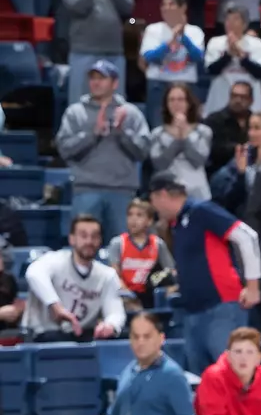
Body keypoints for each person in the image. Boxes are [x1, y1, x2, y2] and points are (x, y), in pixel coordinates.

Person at [148, 171, 261, 372]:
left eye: (152, 200)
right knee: (202, 380)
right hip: (193, 312)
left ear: (162, 195)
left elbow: (247, 236)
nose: (153, 207)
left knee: (232, 374)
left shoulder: (201, 211)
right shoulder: (178, 223)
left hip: (222, 307)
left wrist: (253, 286)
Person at [55, 59, 148, 241]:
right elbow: (64, 149)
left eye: (102, 78)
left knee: (122, 248)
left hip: (122, 191)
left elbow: (143, 151)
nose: (96, 83)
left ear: (115, 83)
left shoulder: (130, 113)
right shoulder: (75, 112)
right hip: (86, 190)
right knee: (84, 246)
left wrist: (122, 133)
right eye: (93, 78)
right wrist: (93, 134)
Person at [94, 312, 193, 415]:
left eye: (147, 336)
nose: (140, 342)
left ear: (161, 338)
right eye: (136, 336)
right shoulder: (127, 372)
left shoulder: (172, 375)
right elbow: (113, 414)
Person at [24, 214, 125, 340]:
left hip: (83, 336)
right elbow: (33, 273)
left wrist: (110, 325)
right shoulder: (54, 260)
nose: (89, 241)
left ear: (100, 240)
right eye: (83, 236)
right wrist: (56, 306)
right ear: (72, 239)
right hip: (44, 335)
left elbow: (115, 312)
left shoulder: (107, 275)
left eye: (94, 236)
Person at [59, 0, 131, 105]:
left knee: (115, 105)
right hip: (83, 52)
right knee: (80, 104)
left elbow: (128, 8)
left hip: (114, 52)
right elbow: (77, 7)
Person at [139, 0, 206, 128]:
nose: (166, 8)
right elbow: (149, 57)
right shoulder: (153, 29)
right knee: (158, 127)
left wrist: (183, 38)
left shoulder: (195, 31)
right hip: (158, 85)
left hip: (186, 84)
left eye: (171, 4)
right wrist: (169, 44)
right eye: (163, 5)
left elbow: (197, 58)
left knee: (187, 126)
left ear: (183, 8)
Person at [148, 83, 213, 204]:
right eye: (171, 100)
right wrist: (177, 139)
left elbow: (198, 160)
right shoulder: (157, 134)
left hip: (197, 191)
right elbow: (160, 164)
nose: (176, 103)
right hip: (168, 191)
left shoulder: (203, 131)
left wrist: (184, 134)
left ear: (189, 103)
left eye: (180, 99)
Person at [107, 198, 175, 307]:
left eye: (139, 215)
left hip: (151, 295)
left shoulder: (158, 244)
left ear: (149, 221)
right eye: (130, 215)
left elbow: (171, 271)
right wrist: (129, 296)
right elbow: (114, 276)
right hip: (126, 296)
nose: (133, 219)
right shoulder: (118, 243)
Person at [203, 2, 261, 114]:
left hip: (250, 101)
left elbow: (260, 73)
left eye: (235, 19)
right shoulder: (215, 42)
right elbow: (211, 71)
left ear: (245, 24)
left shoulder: (256, 43)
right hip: (220, 98)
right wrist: (228, 55)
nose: (230, 23)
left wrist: (241, 56)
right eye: (227, 20)